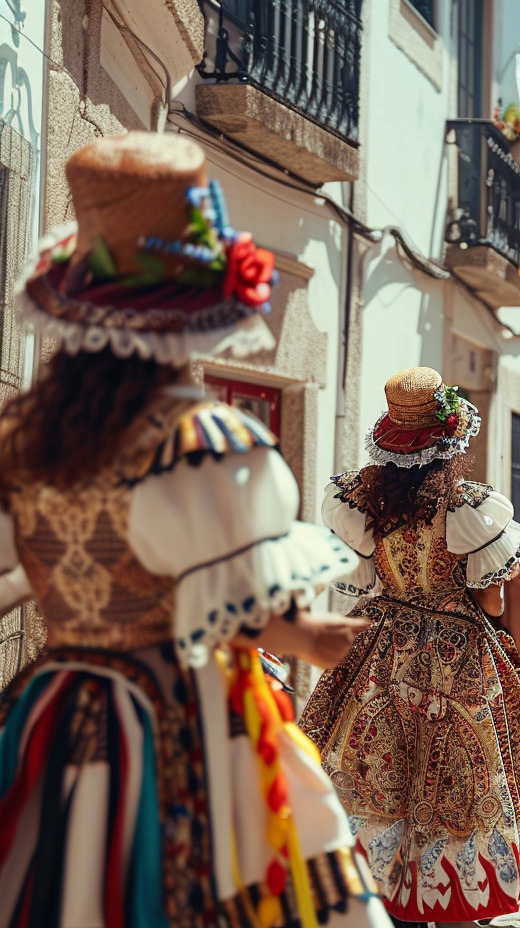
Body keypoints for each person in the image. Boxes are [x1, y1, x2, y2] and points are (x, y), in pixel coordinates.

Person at [0, 133, 390, 925]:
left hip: (51, 709)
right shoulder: (201, 445)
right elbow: (242, 607)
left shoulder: (26, 440)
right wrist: (311, 636)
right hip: (175, 721)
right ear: (192, 322)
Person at [298, 367, 520, 925]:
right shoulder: (467, 509)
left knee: (372, 769)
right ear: (449, 443)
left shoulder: (361, 501)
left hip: (380, 650)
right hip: (457, 658)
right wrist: (514, 646)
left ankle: (380, 887)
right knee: (463, 773)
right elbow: (496, 595)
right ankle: (452, 893)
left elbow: (364, 575)